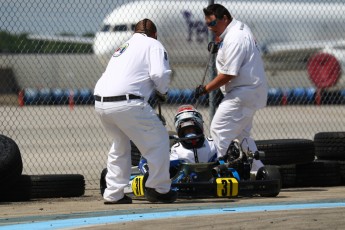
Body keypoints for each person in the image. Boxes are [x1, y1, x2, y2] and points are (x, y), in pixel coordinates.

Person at [94, 18, 177, 204]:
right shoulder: (153, 44)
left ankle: (113, 194)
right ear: (154, 34)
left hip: (101, 103)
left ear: (134, 33)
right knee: (159, 141)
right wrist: (163, 91)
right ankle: (159, 189)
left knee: (120, 145)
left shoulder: (123, 47)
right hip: (128, 102)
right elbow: (159, 74)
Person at [194, 4, 268, 174]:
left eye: (212, 24)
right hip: (249, 91)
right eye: (207, 25)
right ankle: (258, 171)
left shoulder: (235, 37)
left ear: (224, 19)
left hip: (243, 92)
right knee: (242, 134)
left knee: (218, 128)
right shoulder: (237, 29)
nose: (210, 28)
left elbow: (229, 74)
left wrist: (205, 89)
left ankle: (217, 170)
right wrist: (220, 45)